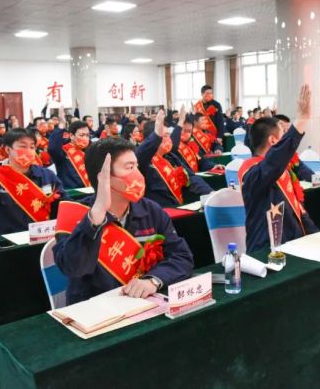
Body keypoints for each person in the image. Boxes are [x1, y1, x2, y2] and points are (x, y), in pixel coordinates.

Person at [52, 137, 194, 304]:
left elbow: (181, 256)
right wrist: (96, 216)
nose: (138, 175)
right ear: (104, 176)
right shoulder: (73, 214)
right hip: (96, 309)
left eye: (137, 167)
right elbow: (74, 268)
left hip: (143, 303)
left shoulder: (151, 210)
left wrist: (153, 280)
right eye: (129, 168)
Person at [239, 85, 319, 253]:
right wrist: (301, 120)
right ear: (273, 141)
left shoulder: (281, 168)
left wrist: (317, 238)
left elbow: (299, 211)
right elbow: (272, 163)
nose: (286, 140)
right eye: (284, 134)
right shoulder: (251, 171)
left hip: (295, 244)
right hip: (267, 251)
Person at [0, 126, 68, 235]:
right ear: (8, 149)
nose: (28, 151)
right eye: (23, 146)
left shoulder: (47, 175)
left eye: (32, 147)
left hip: (44, 236)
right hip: (9, 239)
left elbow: (63, 201)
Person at [136, 111, 213, 207]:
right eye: (165, 136)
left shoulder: (171, 157)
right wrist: (156, 135)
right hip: (160, 211)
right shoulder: (144, 161)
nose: (169, 139)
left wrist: (210, 193)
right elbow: (140, 153)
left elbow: (191, 177)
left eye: (169, 135)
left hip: (177, 208)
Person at [48, 116, 92, 189]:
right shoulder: (64, 151)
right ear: (71, 135)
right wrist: (61, 126)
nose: (85, 138)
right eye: (82, 135)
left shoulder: (91, 151)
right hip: (72, 193)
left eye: (87, 135)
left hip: (91, 192)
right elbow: (53, 149)